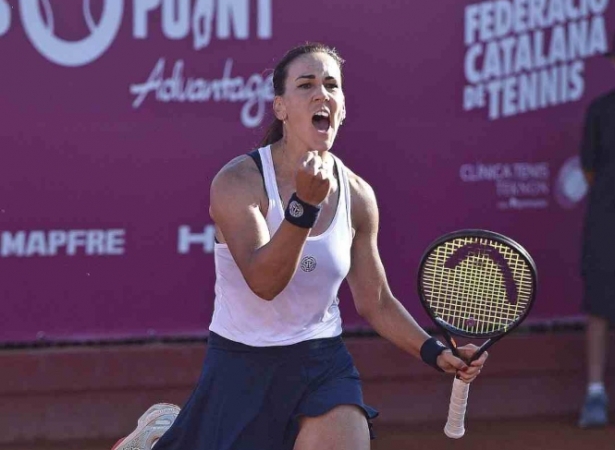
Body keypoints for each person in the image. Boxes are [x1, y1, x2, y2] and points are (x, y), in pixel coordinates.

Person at [112, 42, 488, 450]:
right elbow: (264, 281)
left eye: (331, 85)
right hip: (242, 365)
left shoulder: (358, 196)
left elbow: (376, 299)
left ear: (342, 107)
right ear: (281, 107)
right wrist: (303, 209)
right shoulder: (238, 182)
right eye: (305, 84)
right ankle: (159, 438)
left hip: (321, 364)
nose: (320, 93)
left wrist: (434, 351)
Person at [577, 42, 615, 429]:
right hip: (606, 224)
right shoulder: (601, 112)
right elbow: (589, 171)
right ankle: (594, 393)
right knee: (599, 308)